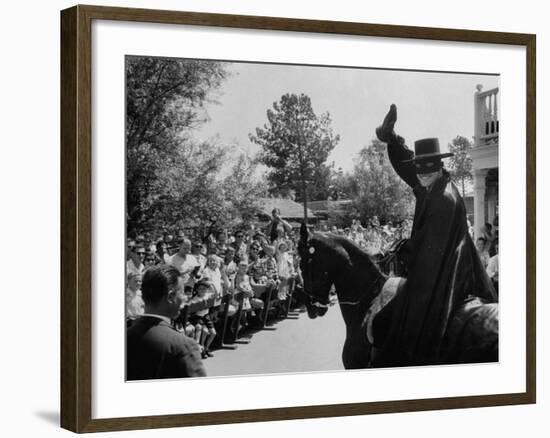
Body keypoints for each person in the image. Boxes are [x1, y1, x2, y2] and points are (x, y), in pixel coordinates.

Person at [372, 104, 497, 367]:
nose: (422, 172)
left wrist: (402, 249)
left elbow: (430, 250)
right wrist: (391, 138)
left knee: (399, 320)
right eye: (420, 167)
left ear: (440, 166)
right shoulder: (433, 181)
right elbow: (409, 166)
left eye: (428, 167)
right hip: (446, 261)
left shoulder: (444, 199)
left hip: (450, 271)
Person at [126, 264, 206, 380]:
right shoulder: (183, 346)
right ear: (170, 297)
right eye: (182, 293)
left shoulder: (125, 336)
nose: (184, 298)